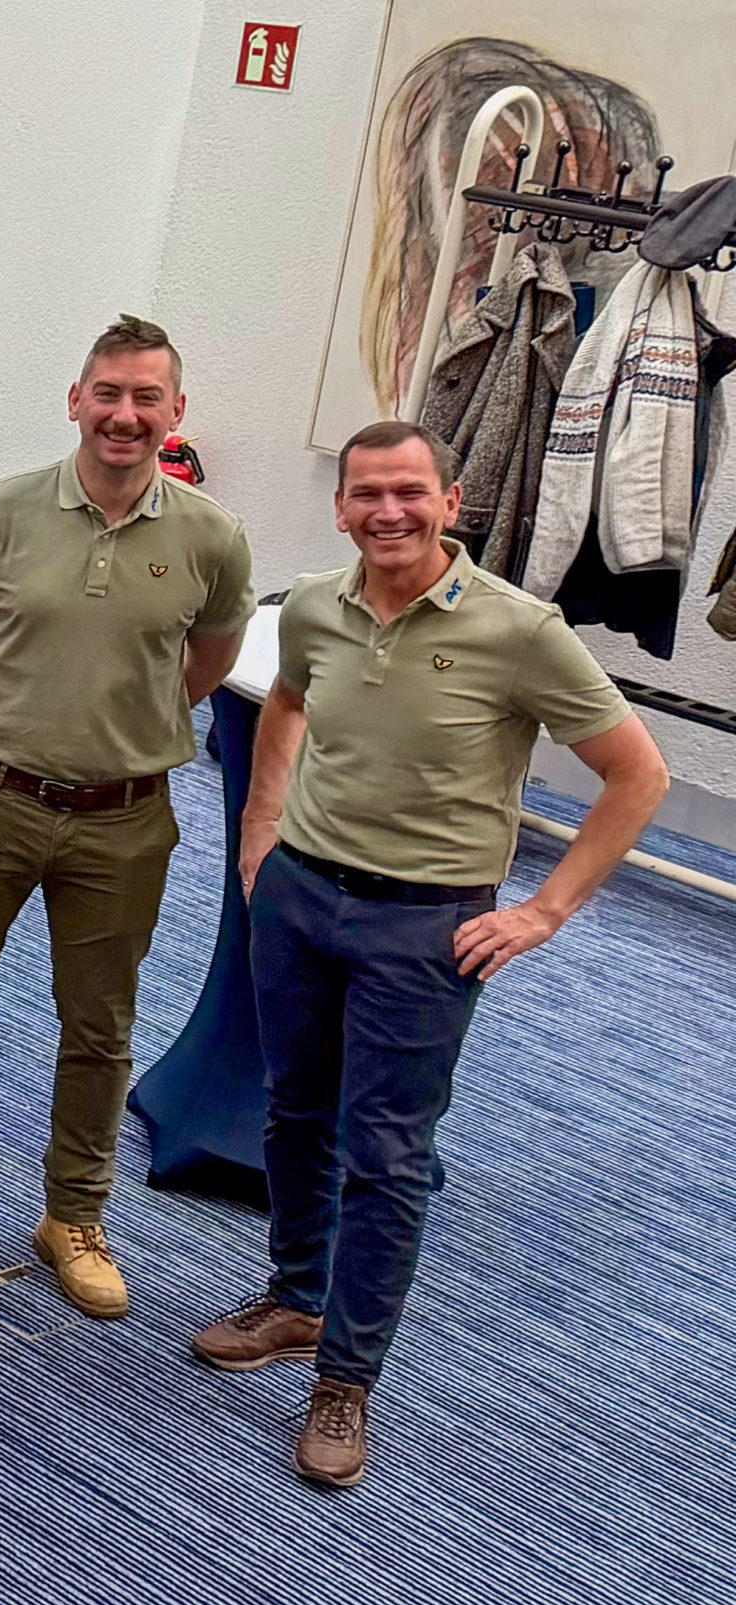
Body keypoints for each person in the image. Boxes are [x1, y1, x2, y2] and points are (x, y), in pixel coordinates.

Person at [197, 420, 664, 1486]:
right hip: (301, 898)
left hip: (424, 927)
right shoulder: (314, 606)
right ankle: (297, 1300)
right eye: (366, 493)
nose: (388, 511)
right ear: (340, 507)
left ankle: (345, 1380)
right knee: (294, 1111)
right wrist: (262, 829)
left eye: (409, 491)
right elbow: (287, 701)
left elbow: (637, 774)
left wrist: (544, 911)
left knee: (387, 1153)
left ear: (450, 503)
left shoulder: (521, 631)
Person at [0, 317, 256, 1318]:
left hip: (123, 818)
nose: (124, 413)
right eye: (107, 392)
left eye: (146, 397)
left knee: (99, 1026)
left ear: (175, 411)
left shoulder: (211, 536)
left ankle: (72, 1215)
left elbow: (210, 661)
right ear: (75, 400)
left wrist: (122, 728)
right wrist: (11, 715)